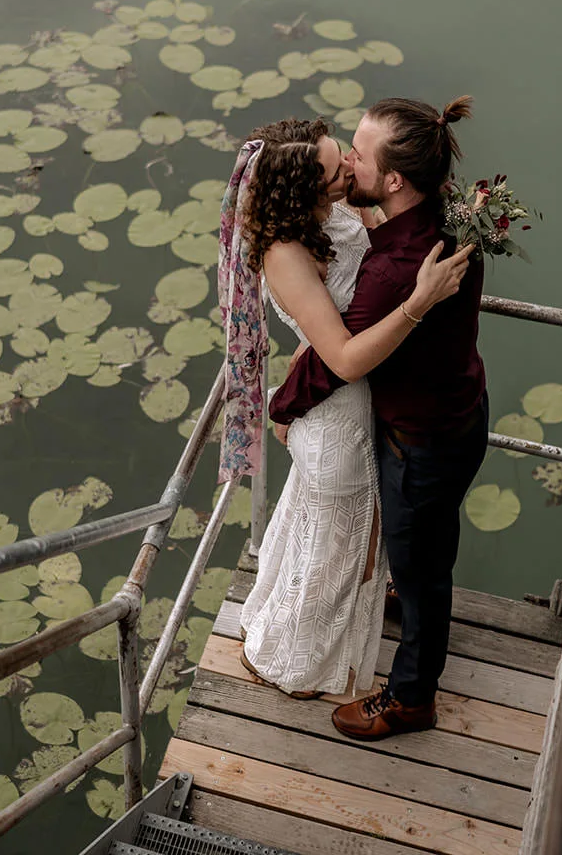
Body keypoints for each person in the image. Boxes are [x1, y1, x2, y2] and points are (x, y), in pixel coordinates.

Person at [216, 116, 472, 699]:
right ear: (306, 189)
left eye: (347, 155)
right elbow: (346, 359)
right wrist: (420, 301)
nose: (350, 169)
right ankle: (300, 666)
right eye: (338, 168)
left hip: (349, 404)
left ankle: (298, 633)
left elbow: (385, 222)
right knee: (339, 557)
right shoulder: (285, 254)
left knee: (329, 544)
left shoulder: (339, 210)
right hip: (338, 419)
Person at [270, 95, 488, 740]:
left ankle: (410, 697)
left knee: (424, 573)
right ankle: (402, 584)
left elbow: (338, 362)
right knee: (424, 545)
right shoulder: (449, 218)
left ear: (394, 180)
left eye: (357, 156)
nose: (348, 166)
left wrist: (282, 407)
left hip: (419, 439)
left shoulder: (397, 270)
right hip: (463, 410)